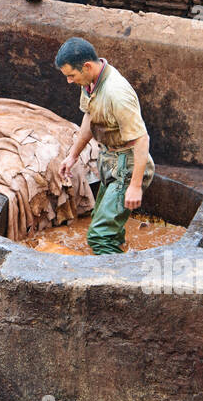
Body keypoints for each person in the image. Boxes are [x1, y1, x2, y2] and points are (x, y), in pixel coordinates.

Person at [55, 37, 154, 255]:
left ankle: (121, 283)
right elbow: (90, 117)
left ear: (87, 66)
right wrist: (72, 156)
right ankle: (121, 257)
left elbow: (141, 139)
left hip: (126, 163)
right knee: (109, 231)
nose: (69, 81)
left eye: (71, 75)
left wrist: (135, 186)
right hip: (108, 158)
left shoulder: (116, 93)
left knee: (99, 237)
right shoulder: (90, 82)